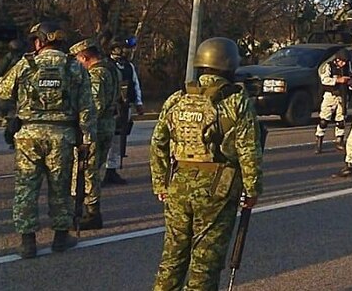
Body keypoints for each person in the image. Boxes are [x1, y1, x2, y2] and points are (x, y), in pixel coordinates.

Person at [150, 37, 263, 291]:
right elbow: (248, 149)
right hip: (218, 187)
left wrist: (160, 182)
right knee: (205, 261)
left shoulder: (178, 98)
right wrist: (252, 189)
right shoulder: (236, 100)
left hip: (179, 184)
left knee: (172, 256)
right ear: (229, 64)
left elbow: (158, 142)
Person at [0, 22, 94, 258]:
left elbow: (1, 90)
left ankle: (27, 242)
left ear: (39, 41)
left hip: (29, 136)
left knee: (26, 189)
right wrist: (86, 138)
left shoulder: (26, 64)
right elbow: (87, 107)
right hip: (62, 136)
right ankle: (60, 238)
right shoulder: (73, 66)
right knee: (60, 188)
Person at [69, 38, 121, 230]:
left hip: (96, 128)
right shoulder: (111, 69)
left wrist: (83, 129)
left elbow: (95, 106)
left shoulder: (96, 74)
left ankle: (91, 214)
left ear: (84, 57)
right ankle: (89, 210)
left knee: (88, 170)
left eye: (78, 59)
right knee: (93, 168)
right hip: (106, 125)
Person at [107, 40, 143, 185]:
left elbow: (135, 84)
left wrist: (138, 103)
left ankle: (112, 170)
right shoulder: (107, 65)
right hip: (110, 109)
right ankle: (102, 171)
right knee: (107, 141)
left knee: (118, 141)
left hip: (124, 108)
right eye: (123, 48)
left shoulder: (129, 66)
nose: (126, 51)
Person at [315, 51, 352, 153]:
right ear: (337, 59)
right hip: (330, 95)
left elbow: (351, 76)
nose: (344, 64)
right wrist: (338, 80)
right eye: (342, 61)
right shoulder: (328, 66)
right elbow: (324, 80)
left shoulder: (347, 67)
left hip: (342, 95)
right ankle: (319, 141)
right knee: (324, 120)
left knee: (341, 120)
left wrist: (350, 81)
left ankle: (339, 141)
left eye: (345, 62)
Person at [0, 39, 26, 150]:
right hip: (22, 89)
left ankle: (10, 135)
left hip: (10, 88)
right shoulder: (25, 58)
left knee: (10, 113)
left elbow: (0, 71)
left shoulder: (8, 57)